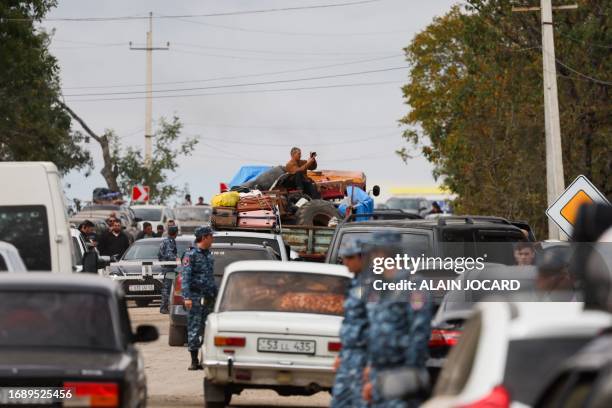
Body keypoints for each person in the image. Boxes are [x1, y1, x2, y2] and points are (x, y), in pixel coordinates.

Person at [361, 231, 432, 408]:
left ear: (382, 254)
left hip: (401, 373)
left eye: (373, 253)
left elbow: (419, 332)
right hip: (379, 373)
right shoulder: (378, 287)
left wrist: (407, 377)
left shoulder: (413, 286)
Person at [331, 237, 368, 408]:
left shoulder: (372, 285)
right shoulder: (355, 283)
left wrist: (373, 363)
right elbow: (352, 321)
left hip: (365, 358)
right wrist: (343, 353)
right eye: (344, 257)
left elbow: (378, 326)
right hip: (350, 356)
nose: (346, 262)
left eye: (350, 257)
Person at [182, 226, 217, 370]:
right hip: (195, 297)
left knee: (208, 328)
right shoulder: (191, 255)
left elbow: (210, 277)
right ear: (204, 237)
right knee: (194, 328)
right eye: (211, 236)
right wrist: (187, 297)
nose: (212, 239)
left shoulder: (208, 254)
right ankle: (194, 360)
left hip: (209, 297)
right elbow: (186, 277)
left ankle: (205, 358)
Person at [158, 226, 179, 314]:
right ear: (175, 233)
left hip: (167, 267)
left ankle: (165, 307)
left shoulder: (166, 240)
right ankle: (163, 308)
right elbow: (169, 254)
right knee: (167, 287)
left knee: (167, 287)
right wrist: (177, 259)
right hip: (169, 268)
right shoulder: (170, 242)